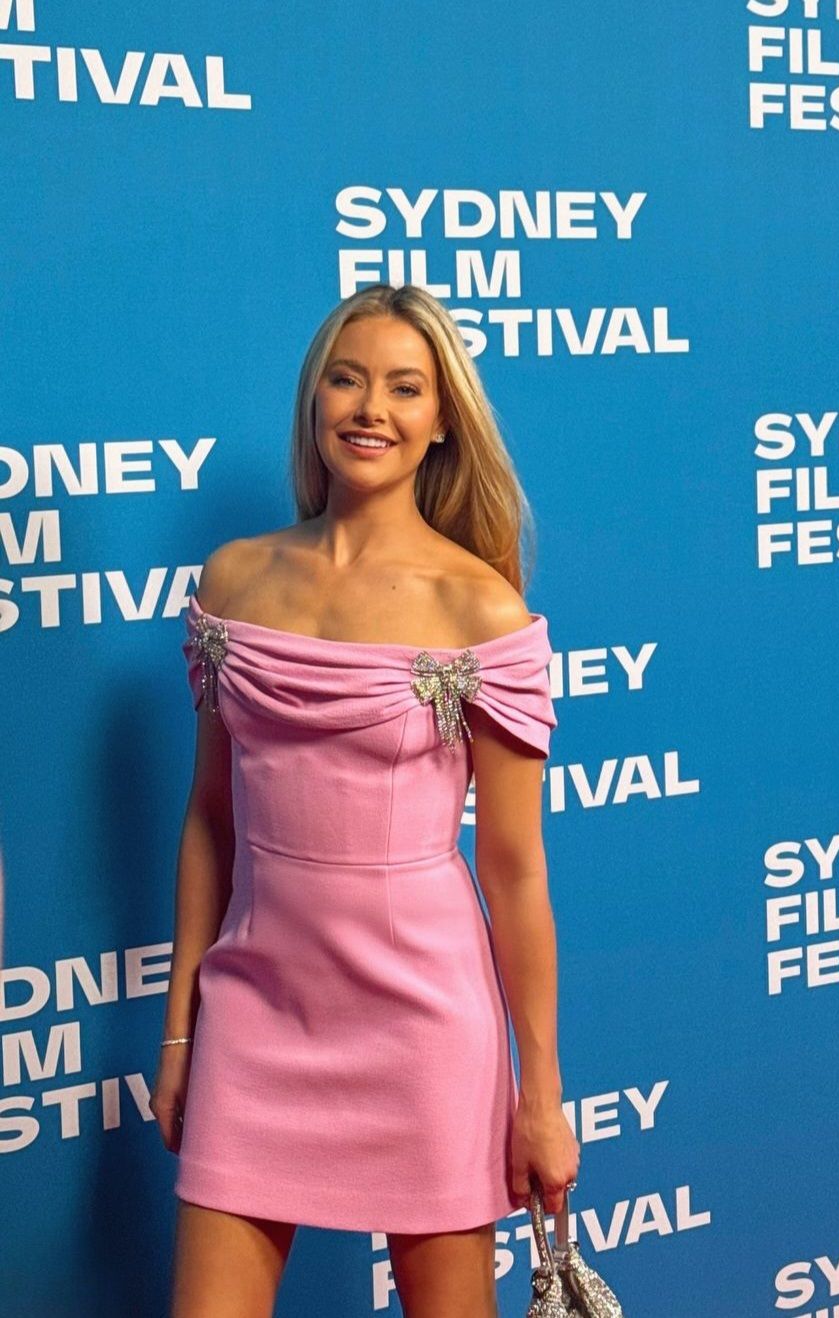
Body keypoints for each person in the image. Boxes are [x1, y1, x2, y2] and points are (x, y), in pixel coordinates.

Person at [150, 283, 580, 1317]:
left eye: (403, 387)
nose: (370, 408)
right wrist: (181, 1032)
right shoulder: (235, 579)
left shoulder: (479, 608)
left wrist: (542, 1095)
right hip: (256, 1008)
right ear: (315, 399)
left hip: (423, 1019)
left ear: (441, 422)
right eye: (347, 379)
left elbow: (514, 871)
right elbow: (209, 819)